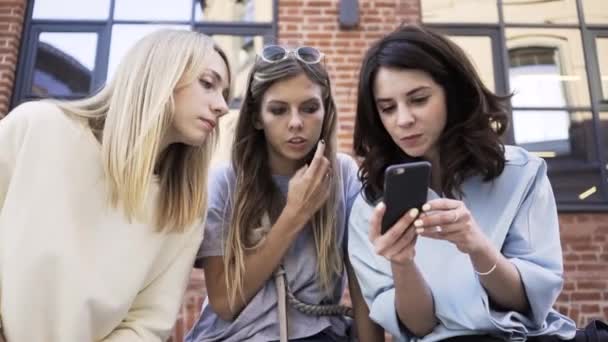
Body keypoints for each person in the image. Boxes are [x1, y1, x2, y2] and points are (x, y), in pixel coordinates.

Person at [347, 25, 578, 341]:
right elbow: (419, 326)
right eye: (387, 108)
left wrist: (477, 246)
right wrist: (402, 263)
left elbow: (527, 303)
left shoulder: (521, 172)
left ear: (452, 93)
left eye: (418, 99)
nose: (403, 120)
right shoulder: (370, 205)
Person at [0, 29, 230, 341]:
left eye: (224, 93)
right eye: (207, 83)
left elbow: (146, 325)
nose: (222, 106)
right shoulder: (36, 128)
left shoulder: (184, 210)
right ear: (160, 72)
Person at [186, 45, 383, 342]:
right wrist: (295, 213)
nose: (295, 122)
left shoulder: (343, 175)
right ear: (256, 118)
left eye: (309, 108)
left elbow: (362, 286)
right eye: (278, 110)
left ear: (325, 111)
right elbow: (225, 303)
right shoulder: (225, 182)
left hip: (320, 333)